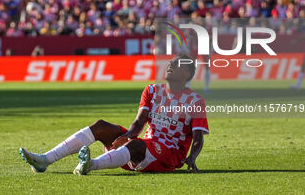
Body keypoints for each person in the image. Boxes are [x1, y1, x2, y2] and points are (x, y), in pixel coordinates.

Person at [19, 54, 209, 174]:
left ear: (186, 74)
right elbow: (138, 122)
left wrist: (192, 158)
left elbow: (198, 136)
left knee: (136, 144)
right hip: (142, 148)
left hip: (169, 154)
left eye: (176, 65)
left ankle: (91, 164)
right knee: (101, 126)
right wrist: (125, 136)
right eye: (170, 63)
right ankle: (46, 160)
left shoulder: (195, 100)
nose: (170, 65)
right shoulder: (152, 90)